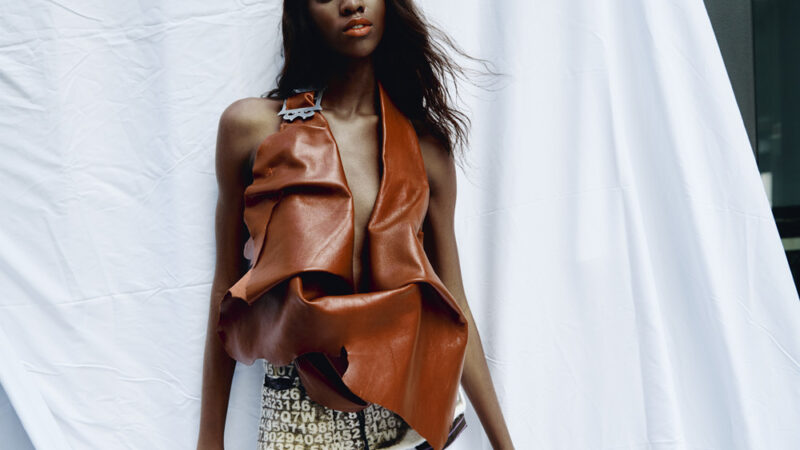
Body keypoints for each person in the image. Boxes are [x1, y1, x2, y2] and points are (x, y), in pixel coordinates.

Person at [197, 1, 514, 449]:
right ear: (303, 12)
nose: (351, 3)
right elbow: (227, 290)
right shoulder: (253, 129)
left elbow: (453, 305)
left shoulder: (425, 147)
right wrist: (210, 439)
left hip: (402, 418)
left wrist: (504, 444)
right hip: (300, 421)